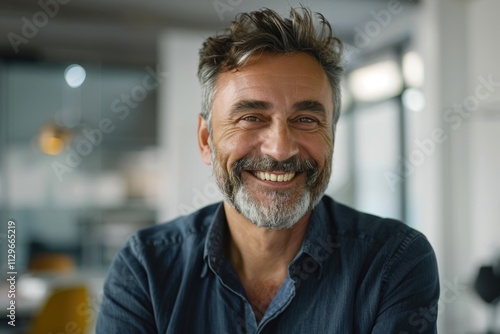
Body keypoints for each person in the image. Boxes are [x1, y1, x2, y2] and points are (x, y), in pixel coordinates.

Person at [96, 7, 440, 333]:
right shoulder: (145, 269)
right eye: (251, 118)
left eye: (306, 120)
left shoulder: (393, 262)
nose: (280, 148)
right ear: (206, 140)